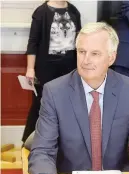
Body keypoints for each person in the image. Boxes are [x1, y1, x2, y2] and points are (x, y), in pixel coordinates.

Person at [28, 22, 129, 174]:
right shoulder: (55, 92)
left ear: (111, 57)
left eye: (95, 54)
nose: (86, 60)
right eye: (82, 52)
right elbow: (42, 150)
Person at [22, 0, 81, 142]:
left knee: (67, 106)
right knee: (41, 104)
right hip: (46, 68)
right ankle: (28, 141)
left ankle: (61, 143)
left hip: (69, 68)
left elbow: (80, 40)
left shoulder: (74, 11)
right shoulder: (41, 12)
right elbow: (33, 42)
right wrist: (30, 68)